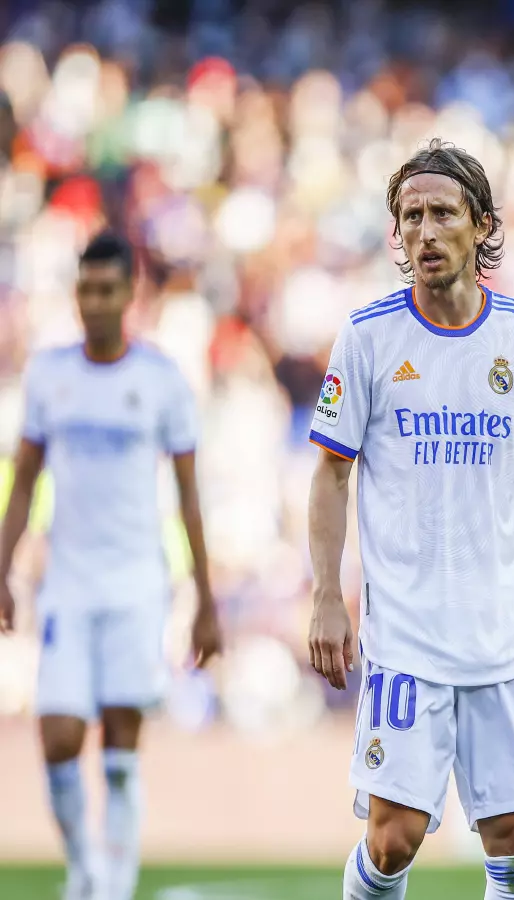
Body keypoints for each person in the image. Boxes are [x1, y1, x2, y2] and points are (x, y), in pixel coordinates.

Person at [307, 138, 514, 900]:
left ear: (481, 225)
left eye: (441, 212)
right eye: (408, 216)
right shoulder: (369, 336)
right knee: (393, 838)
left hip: (502, 634)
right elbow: (330, 473)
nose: (423, 231)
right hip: (406, 637)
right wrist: (325, 594)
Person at [0, 231, 223, 900]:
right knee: (60, 735)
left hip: (136, 584)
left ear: (129, 293)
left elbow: (189, 495)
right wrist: (3, 567)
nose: (95, 302)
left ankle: (113, 885)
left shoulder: (160, 380)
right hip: (67, 581)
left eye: (107, 289)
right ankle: (84, 867)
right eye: (85, 289)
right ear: (76, 293)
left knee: (122, 750)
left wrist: (205, 602)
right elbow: (24, 477)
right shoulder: (49, 375)